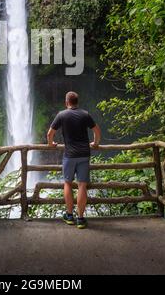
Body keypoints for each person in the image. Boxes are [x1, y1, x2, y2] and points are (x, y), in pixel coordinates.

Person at [47, 91, 101, 229]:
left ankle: (69, 216)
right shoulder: (85, 114)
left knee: (68, 183)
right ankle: (81, 219)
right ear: (77, 102)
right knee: (82, 185)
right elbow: (97, 131)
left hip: (70, 155)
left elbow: (50, 134)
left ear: (66, 102)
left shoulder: (62, 115)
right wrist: (95, 143)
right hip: (84, 154)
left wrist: (51, 144)